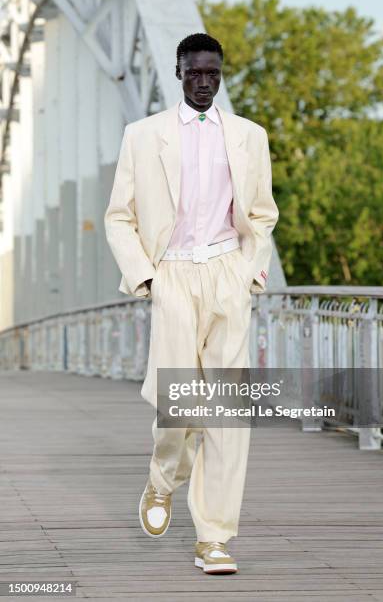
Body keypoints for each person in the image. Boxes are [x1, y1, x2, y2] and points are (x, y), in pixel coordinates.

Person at [104, 32, 279, 574]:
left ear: (221, 73)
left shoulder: (250, 136)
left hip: (228, 272)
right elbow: (119, 216)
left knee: (227, 414)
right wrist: (147, 279)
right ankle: (162, 483)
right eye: (193, 73)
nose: (204, 82)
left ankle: (215, 538)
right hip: (173, 275)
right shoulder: (143, 135)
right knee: (179, 407)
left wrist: (251, 271)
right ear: (178, 73)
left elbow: (261, 212)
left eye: (212, 73)